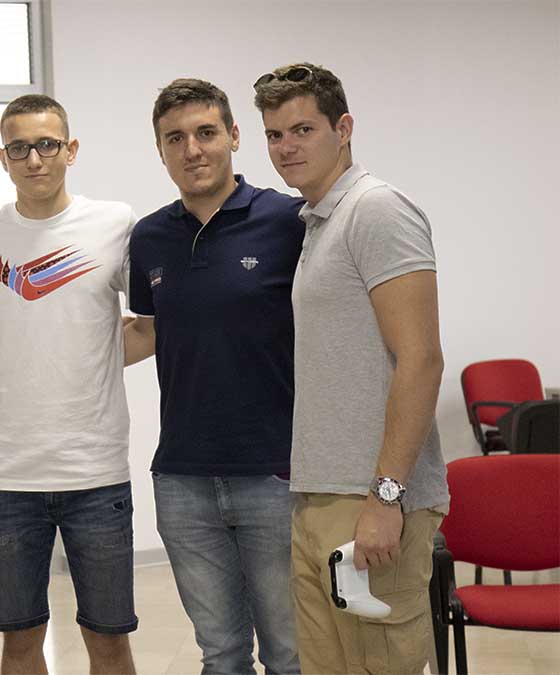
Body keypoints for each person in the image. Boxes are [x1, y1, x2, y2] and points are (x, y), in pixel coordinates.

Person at [253, 63, 448, 674]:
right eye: (274, 134)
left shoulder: (377, 210)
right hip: (319, 495)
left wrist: (386, 497)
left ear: (343, 128)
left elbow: (422, 359)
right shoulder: (319, 222)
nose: (286, 147)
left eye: (303, 130)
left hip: (372, 499)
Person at [0, 94, 138, 675]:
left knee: (109, 643)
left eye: (47, 145)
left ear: (70, 150)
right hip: (9, 478)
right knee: (19, 644)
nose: (34, 159)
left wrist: (90, 355)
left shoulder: (115, 224)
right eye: (19, 148)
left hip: (96, 473)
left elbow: (154, 327)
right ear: (2, 157)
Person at [124, 79, 303, 675]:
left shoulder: (288, 221)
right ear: (160, 149)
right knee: (221, 654)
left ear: (233, 136)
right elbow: (147, 332)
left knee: (289, 654)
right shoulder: (150, 237)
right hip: (183, 478)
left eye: (205, 133)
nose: (192, 149)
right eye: (175, 138)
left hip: (275, 472)